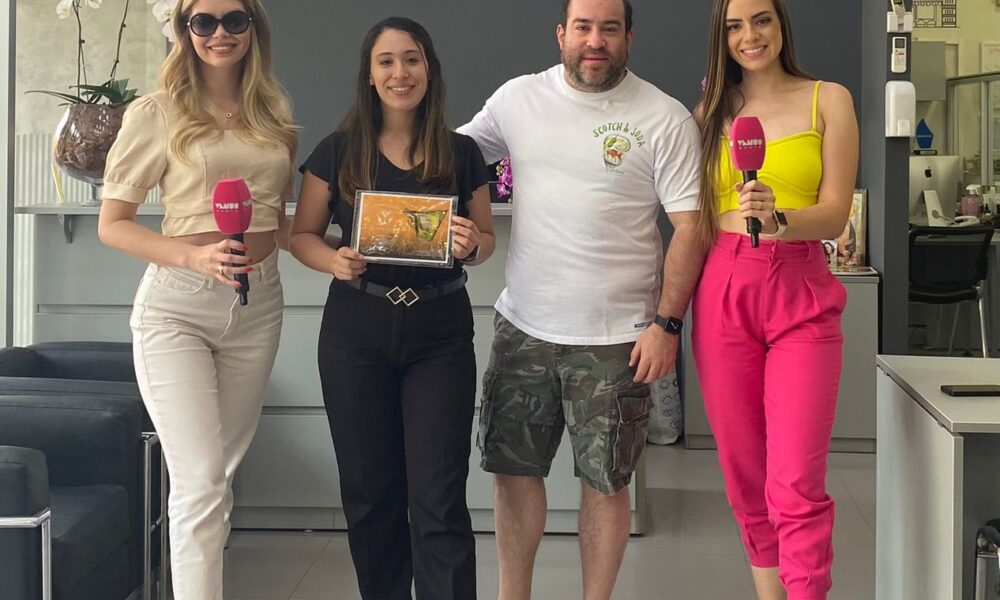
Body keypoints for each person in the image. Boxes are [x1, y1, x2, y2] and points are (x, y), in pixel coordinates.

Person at [458, 0, 705, 597]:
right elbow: (450, 160)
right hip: (524, 329)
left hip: (617, 340)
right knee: (513, 472)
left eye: (609, 29)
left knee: (606, 482)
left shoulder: (664, 117)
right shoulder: (518, 99)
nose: (595, 41)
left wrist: (667, 325)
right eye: (584, 28)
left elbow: (691, 228)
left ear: (629, 38)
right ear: (561, 34)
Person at [289, 17, 495, 600]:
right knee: (370, 494)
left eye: (411, 59)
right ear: (369, 74)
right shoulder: (337, 151)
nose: (400, 73)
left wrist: (472, 245)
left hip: (440, 335)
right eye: (386, 61)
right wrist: (333, 261)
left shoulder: (462, 152)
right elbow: (300, 235)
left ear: (429, 69)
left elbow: (485, 238)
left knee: (439, 496)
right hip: (356, 332)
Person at [97, 0, 296, 597]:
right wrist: (193, 258)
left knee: (219, 480)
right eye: (202, 22)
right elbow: (113, 224)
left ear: (253, 27)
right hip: (178, 308)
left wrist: (346, 248)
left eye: (234, 20)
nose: (218, 33)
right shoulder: (157, 112)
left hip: (259, 305)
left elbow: (280, 223)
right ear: (184, 31)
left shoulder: (274, 110)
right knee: (201, 481)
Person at [691, 0, 859, 598]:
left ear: (781, 24)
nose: (750, 35)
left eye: (761, 19)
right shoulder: (709, 114)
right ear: (722, 38)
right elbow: (694, 218)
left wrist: (780, 218)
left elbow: (835, 213)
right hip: (723, 286)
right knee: (744, 474)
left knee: (795, 483)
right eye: (734, 26)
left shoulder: (828, 100)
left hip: (801, 289)